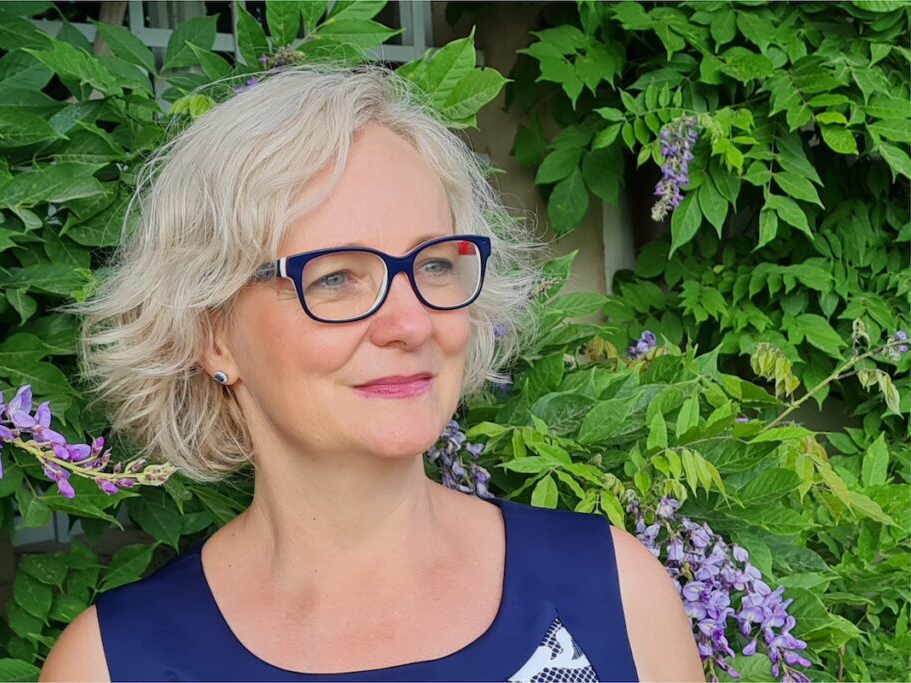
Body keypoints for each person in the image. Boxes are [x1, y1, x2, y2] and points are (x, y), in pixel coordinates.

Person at [40, 63, 703, 682]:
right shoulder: (117, 664)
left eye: (434, 264)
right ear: (213, 335)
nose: (410, 323)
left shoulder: (613, 591)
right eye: (335, 278)